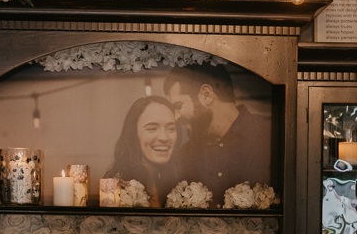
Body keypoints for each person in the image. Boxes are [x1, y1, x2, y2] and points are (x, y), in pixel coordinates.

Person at [163, 63, 267, 207]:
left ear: (206, 95)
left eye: (179, 106)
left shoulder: (267, 135)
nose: (176, 117)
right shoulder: (185, 154)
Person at [105, 96, 180, 207]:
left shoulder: (177, 186)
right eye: (152, 128)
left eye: (171, 128)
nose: (164, 137)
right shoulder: (115, 188)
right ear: (134, 135)